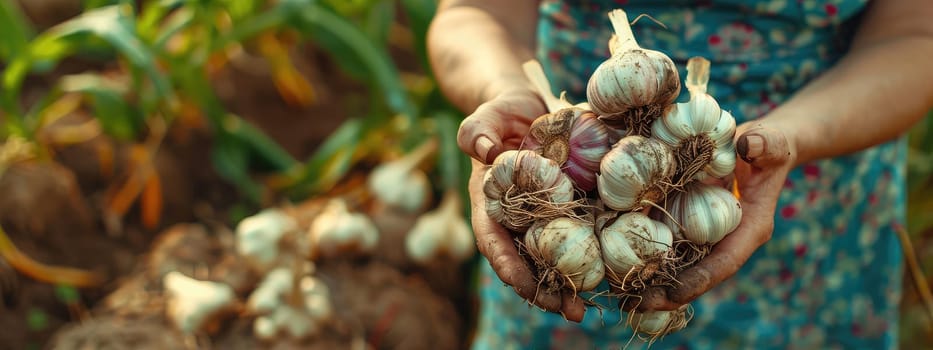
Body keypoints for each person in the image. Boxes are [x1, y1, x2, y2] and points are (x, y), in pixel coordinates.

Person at [427, 0, 933, 348]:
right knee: (571, 278)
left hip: (820, 221)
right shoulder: (550, 161)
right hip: (561, 205)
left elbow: (916, 35)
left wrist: (792, 137)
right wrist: (502, 89)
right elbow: (475, 11)